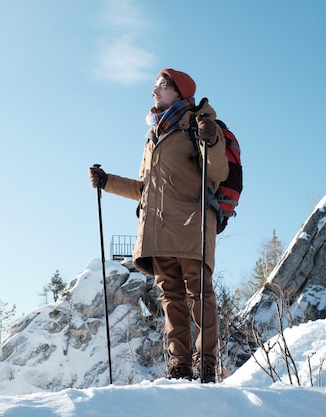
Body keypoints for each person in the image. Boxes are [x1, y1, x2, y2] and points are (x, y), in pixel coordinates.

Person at [88, 68, 229, 383]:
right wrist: (108, 182)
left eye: (161, 86)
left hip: (192, 226)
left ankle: (206, 366)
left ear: (179, 92)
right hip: (157, 231)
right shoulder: (155, 134)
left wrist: (213, 138)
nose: (154, 91)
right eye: (155, 86)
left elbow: (217, 171)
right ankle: (179, 368)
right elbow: (146, 189)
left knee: (200, 296)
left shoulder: (198, 125)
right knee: (172, 300)